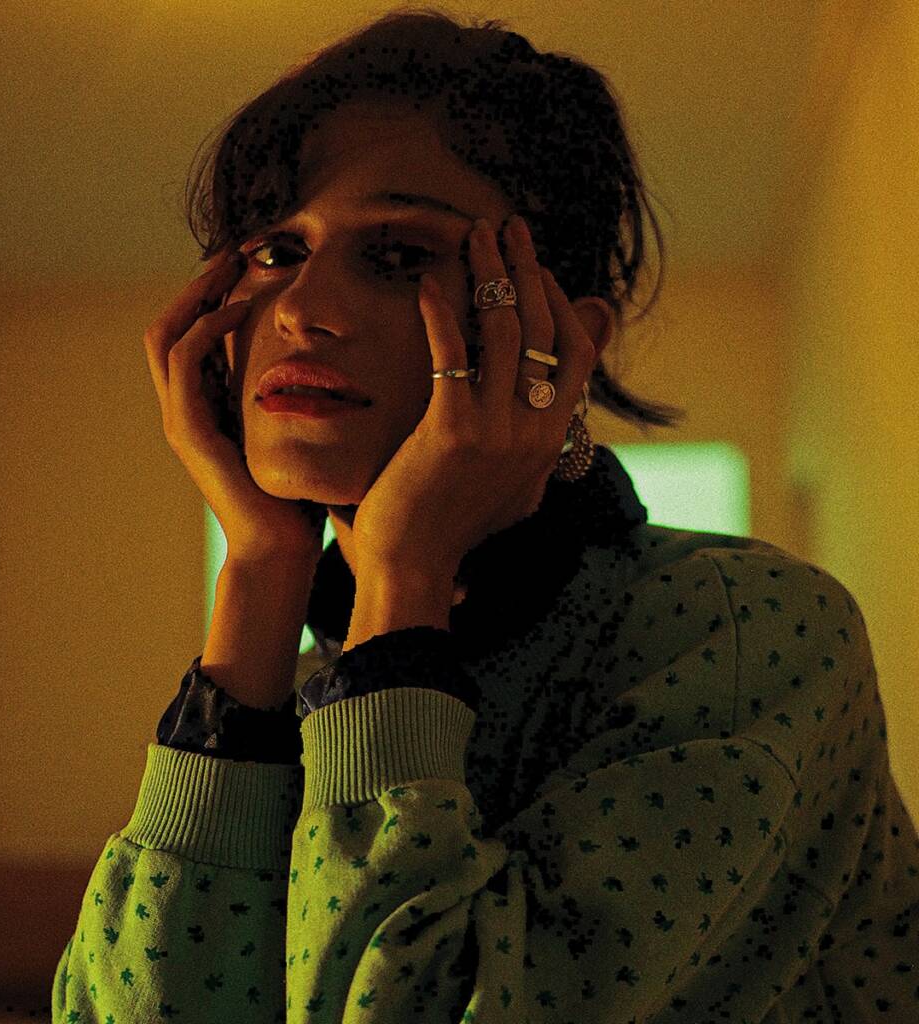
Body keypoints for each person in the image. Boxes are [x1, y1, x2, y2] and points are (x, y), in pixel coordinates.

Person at [53, 8, 919, 1022]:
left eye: (397, 254)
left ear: (559, 340)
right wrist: (257, 572)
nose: (298, 309)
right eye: (276, 251)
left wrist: (403, 574)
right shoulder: (295, 692)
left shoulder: (742, 630)